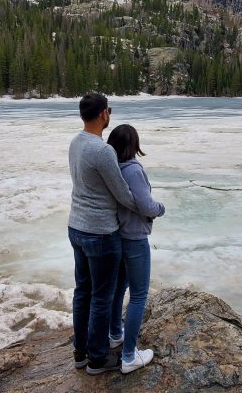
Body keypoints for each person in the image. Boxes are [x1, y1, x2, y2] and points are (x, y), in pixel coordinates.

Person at [67, 93, 139, 375]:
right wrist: (145, 209)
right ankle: (97, 358)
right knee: (101, 297)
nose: (110, 114)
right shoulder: (102, 151)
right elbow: (122, 194)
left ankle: (80, 351)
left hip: (76, 226)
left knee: (82, 292)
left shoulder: (76, 142)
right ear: (103, 115)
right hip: (100, 233)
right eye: (109, 110)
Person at [107, 124, 165, 374]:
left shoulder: (112, 170)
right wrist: (160, 208)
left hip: (117, 234)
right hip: (134, 238)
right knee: (139, 295)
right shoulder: (132, 171)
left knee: (119, 287)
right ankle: (129, 355)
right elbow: (145, 204)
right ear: (134, 145)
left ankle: (114, 334)